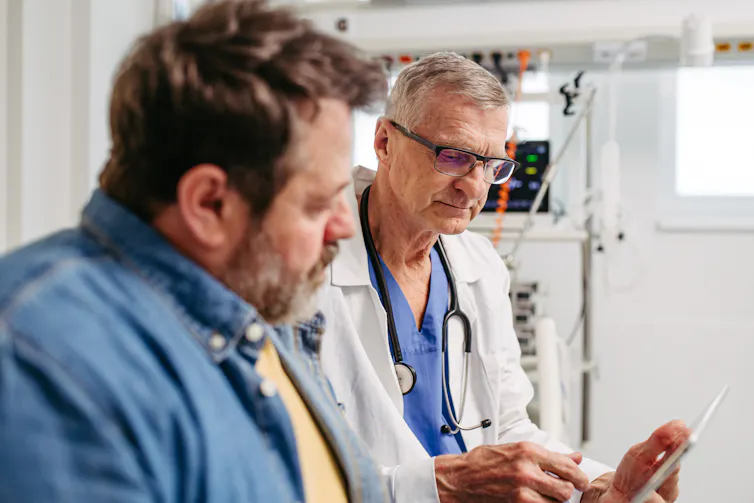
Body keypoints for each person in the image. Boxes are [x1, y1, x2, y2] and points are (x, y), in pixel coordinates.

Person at [0, 1, 388, 502]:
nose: (344, 226)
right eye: (317, 205)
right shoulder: (45, 362)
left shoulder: (260, 301)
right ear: (210, 203)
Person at [316, 52, 691, 503]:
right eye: (453, 156)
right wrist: (436, 485)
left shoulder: (480, 267)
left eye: (493, 165)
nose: (474, 187)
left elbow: (510, 426)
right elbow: (289, 467)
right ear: (384, 142)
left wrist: (595, 487)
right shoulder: (307, 271)